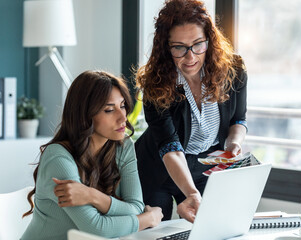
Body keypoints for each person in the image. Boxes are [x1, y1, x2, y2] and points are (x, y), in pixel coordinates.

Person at [135, 0, 247, 223]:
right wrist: (192, 193)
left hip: (204, 168)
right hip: (159, 169)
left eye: (198, 44)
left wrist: (233, 144)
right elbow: (170, 148)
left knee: (211, 227)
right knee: (158, 233)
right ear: (166, 47)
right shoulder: (156, 83)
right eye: (179, 47)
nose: (191, 57)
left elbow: (238, 119)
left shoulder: (233, 70)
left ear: (209, 40)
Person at [21, 71, 163, 240]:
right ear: (85, 115)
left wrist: (93, 196)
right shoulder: (58, 159)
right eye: (109, 110)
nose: (122, 117)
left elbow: (136, 208)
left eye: (123, 105)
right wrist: (148, 219)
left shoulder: (123, 147)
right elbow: (96, 229)